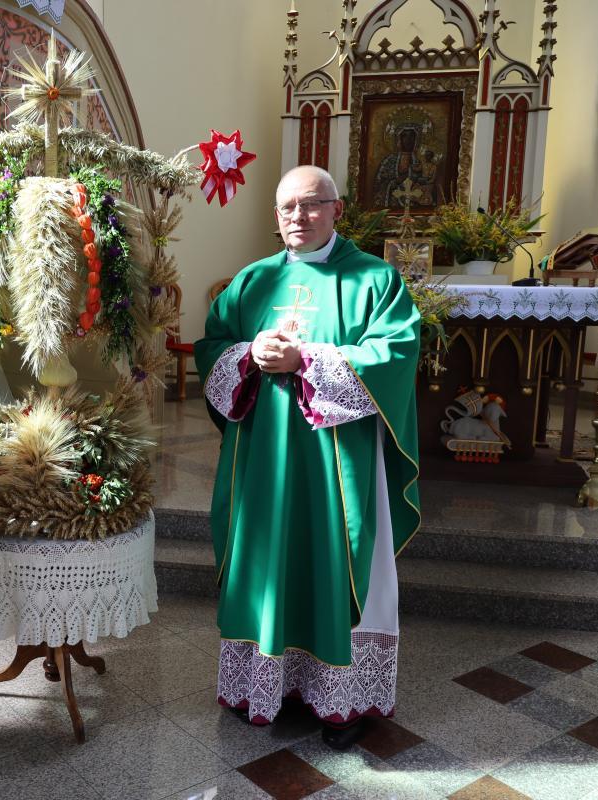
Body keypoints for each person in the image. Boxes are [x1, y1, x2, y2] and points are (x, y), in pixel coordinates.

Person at [194, 165, 421, 750]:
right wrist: (247, 354)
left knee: (334, 559)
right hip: (264, 462)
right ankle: (262, 688)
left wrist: (307, 361)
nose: (300, 216)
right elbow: (211, 346)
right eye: (288, 207)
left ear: (336, 210)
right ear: (276, 217)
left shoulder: (375, 279)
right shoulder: (253, 281)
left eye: (312, 204)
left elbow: (394, 354)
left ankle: (341, 701)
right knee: (266, 563)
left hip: (337, 465)